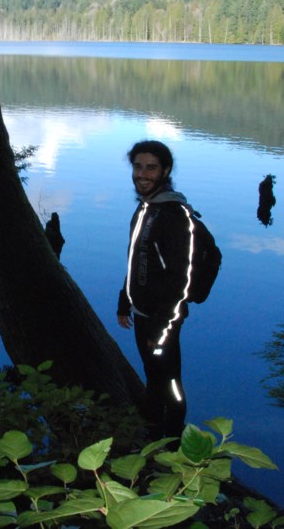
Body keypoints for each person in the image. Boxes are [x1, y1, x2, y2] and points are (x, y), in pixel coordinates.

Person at [116, 140, 200, 439]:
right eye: (138, 167)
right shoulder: (147, 208)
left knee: (170, 383)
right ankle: (151, 433)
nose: (142, 174)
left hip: (164, 319)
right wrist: (125, 301)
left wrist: (160, 331)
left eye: (151, 168)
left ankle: (176, 441)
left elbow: (181, 280)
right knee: (153, 374)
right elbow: (139, 260)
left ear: (166, 170)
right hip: (142, 313)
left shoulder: (173, 215)